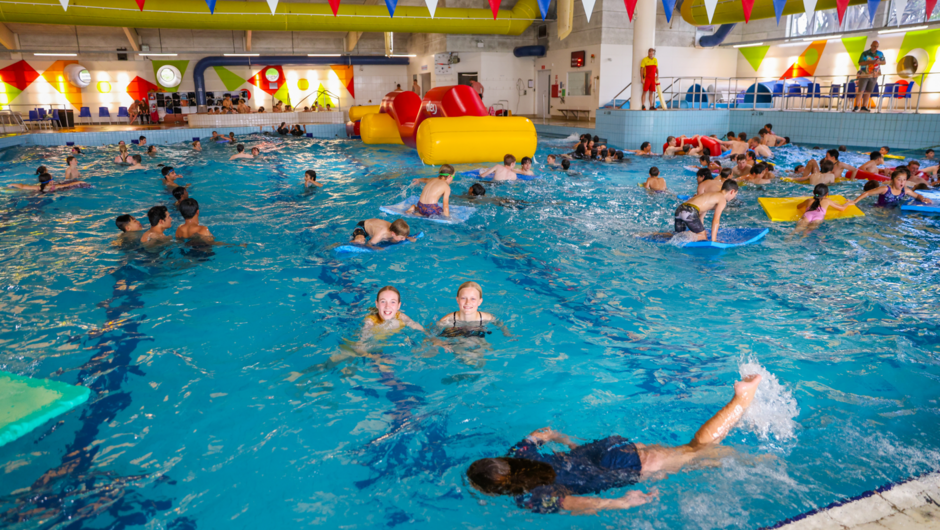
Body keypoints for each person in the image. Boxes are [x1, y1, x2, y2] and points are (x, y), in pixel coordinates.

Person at [466, 374, 763, 515]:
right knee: (691, 458)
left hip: (620, 468)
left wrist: (621, 502)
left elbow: (574, 503)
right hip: (607, 449)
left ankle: (741, 399)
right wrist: (568, 442)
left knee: (696, 449)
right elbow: (542, 432)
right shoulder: (518, 454)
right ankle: (737, 446)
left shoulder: (529, 496)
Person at [671, 180, 738, 242]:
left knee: (677, 235)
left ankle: (662, 234)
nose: (734, 197)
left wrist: (701, 230)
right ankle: (686, 236)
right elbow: (716, 220)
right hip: (690, 211)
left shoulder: (711, 194)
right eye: (735, 194)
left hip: (680, 209)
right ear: (732, 191)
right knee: (703, 237)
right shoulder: (722, 199)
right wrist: (714, 240)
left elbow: (701, 215)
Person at [849, 169, 932, 208]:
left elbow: (917, 195)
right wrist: (854, 201)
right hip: (879, 210)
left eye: (904, 180)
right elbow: (867, 193)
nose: (902, 182)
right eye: (899, 180)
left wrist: (923, 199)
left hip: (893, 210)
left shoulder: (905, 190)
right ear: (892, 180)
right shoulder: (885, 189)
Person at [854, 40, 885, 112]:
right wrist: (871, 62)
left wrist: (879, 62)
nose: (875, 48)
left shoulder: (880, 53)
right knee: (861, 90)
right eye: (874, 46)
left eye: (877, 46)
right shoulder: (865, 53)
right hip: (865, 74)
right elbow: (860, 63)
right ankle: (856, 105)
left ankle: (864, 106)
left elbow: (884, 62)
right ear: (871, 45)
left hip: (874, 74)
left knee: (868, 91)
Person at [349, 219, 417, 248]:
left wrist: (408, 237)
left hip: (373, 226)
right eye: (402, 237)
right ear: (393, 234)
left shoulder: (396, 228)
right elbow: (368, 244)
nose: (403, 239)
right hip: (362, 227)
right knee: (361, 241)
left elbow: (401, 233)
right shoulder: (380, 234)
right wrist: (376, 248)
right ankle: (342, 244)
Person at [8, 172, 86, 193]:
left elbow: (22, 186)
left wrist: (12, 184)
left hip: (39, 194)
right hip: (51, 193)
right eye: (52, 179)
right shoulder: (55, 186)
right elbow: (68, 184)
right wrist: (79, 182)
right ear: (50, 182)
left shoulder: (38, 187)